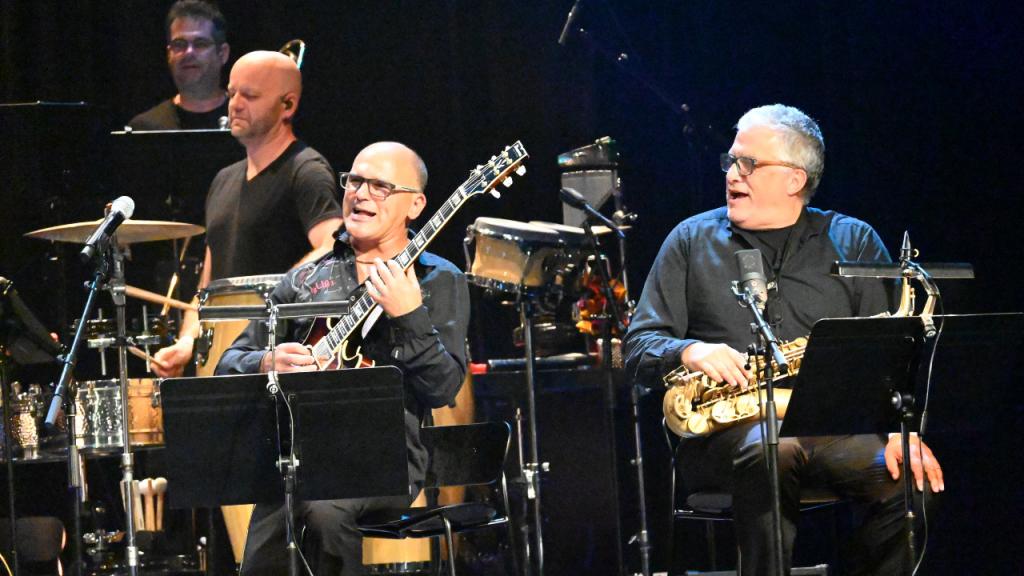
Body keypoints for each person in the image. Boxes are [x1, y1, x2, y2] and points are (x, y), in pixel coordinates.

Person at [623, 104, 944, 575]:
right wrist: (690, 350)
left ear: (795, 179)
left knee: (914, 479)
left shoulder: (853, 240)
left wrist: (902, 432)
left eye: (748, 163)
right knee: (773, 449)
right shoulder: (690, 241)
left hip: (832, 432)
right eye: (731, 160)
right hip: (721, 438)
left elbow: (892, 356)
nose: (732, 173)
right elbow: (637, 347)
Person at [215, 141, 470, 576]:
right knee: (267, 539)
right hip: (303, 457)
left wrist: (409, 315)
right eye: (354, 181)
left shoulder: (437, 279)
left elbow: (443, 387)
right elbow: (229, 361)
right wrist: (267, 361)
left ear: (415, 205)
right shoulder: (304, 280)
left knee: (324, 511)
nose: (361, 193)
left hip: (387, 461)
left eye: (380, 186)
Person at [150, 50, 343, 378]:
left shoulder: (306, 171)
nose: (235, 105)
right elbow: (210, 284)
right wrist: (187, 341)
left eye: (250, 96)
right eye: (232, 93)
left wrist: (278, 294)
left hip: (277, 357)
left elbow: (333, 246)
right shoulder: (223, 179)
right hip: (225, 362)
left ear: (288, 105)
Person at [129, 0, 231, 130]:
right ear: (169, 54)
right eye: (179, 44)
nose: (189, 52)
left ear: (222, 54)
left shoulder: (248, 118)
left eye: (200, 44)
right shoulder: (144, 128)